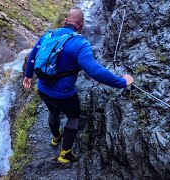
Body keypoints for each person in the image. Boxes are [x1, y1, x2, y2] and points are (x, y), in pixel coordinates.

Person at [23, 7, 134, 164]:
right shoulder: (80, 43)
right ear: (81, 25)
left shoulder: (48, 35)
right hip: (64, 95)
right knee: (73, 117)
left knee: (53, 112)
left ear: (65, 21)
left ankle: (56, 139)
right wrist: (122, 82)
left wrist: (28, 76)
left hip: (43, 88)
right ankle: (65, 154)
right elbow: (94, 71)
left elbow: (33, 56)